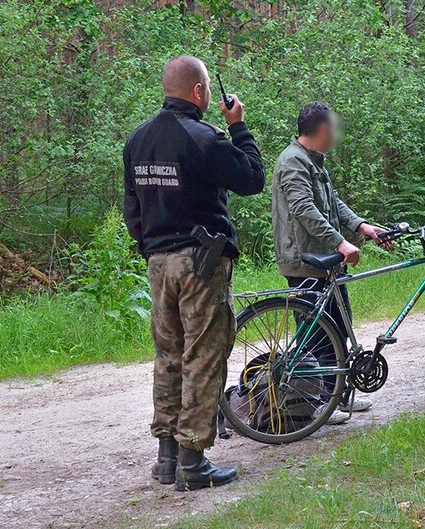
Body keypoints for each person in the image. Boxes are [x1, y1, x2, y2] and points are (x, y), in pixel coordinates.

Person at [122, 55, 265, 491]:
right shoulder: (203, 138)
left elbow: (132, 209)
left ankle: (166, 460)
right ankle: (193, 464)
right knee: (203, 356)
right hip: (200, 264)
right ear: (201, 92)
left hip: (158, 264)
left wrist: (150, 248)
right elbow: (252, 177)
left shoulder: (137, 140)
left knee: (169, 357)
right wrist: (238, 126)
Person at [271, 102, 390, 424]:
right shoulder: (293, 162)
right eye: (334, 129)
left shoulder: (313, 161)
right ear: (322, 129)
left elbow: (331, 202)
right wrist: (340, 241)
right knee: (316, 335)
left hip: (327, 260)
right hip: (305, 260)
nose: (336, 135)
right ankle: (318, 404)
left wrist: (361, 226)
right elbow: (304, 209)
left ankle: (337, 396)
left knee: (338, 327)